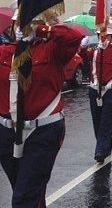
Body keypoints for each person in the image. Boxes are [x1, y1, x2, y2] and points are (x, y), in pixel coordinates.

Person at [0, 23, 82, 207]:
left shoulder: (52, 50)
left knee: (24, 197)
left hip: (42, 132)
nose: (23, 27)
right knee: (26, 190)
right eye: (19, 24)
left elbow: (74, 38)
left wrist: (43, 29)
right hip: (7, 133)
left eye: (28, 23)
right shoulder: (5, 52)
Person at [79, 23, 112, 164]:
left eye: (106, 35)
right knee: (97, 120)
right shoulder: (96, 49)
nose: (102, 37)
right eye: (100, 35)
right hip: (95, 89)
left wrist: (111, 41)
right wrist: (82, 47)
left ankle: (100, 149)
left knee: (106, 120)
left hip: (111, 89)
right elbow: (84, 57)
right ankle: (105, 145)